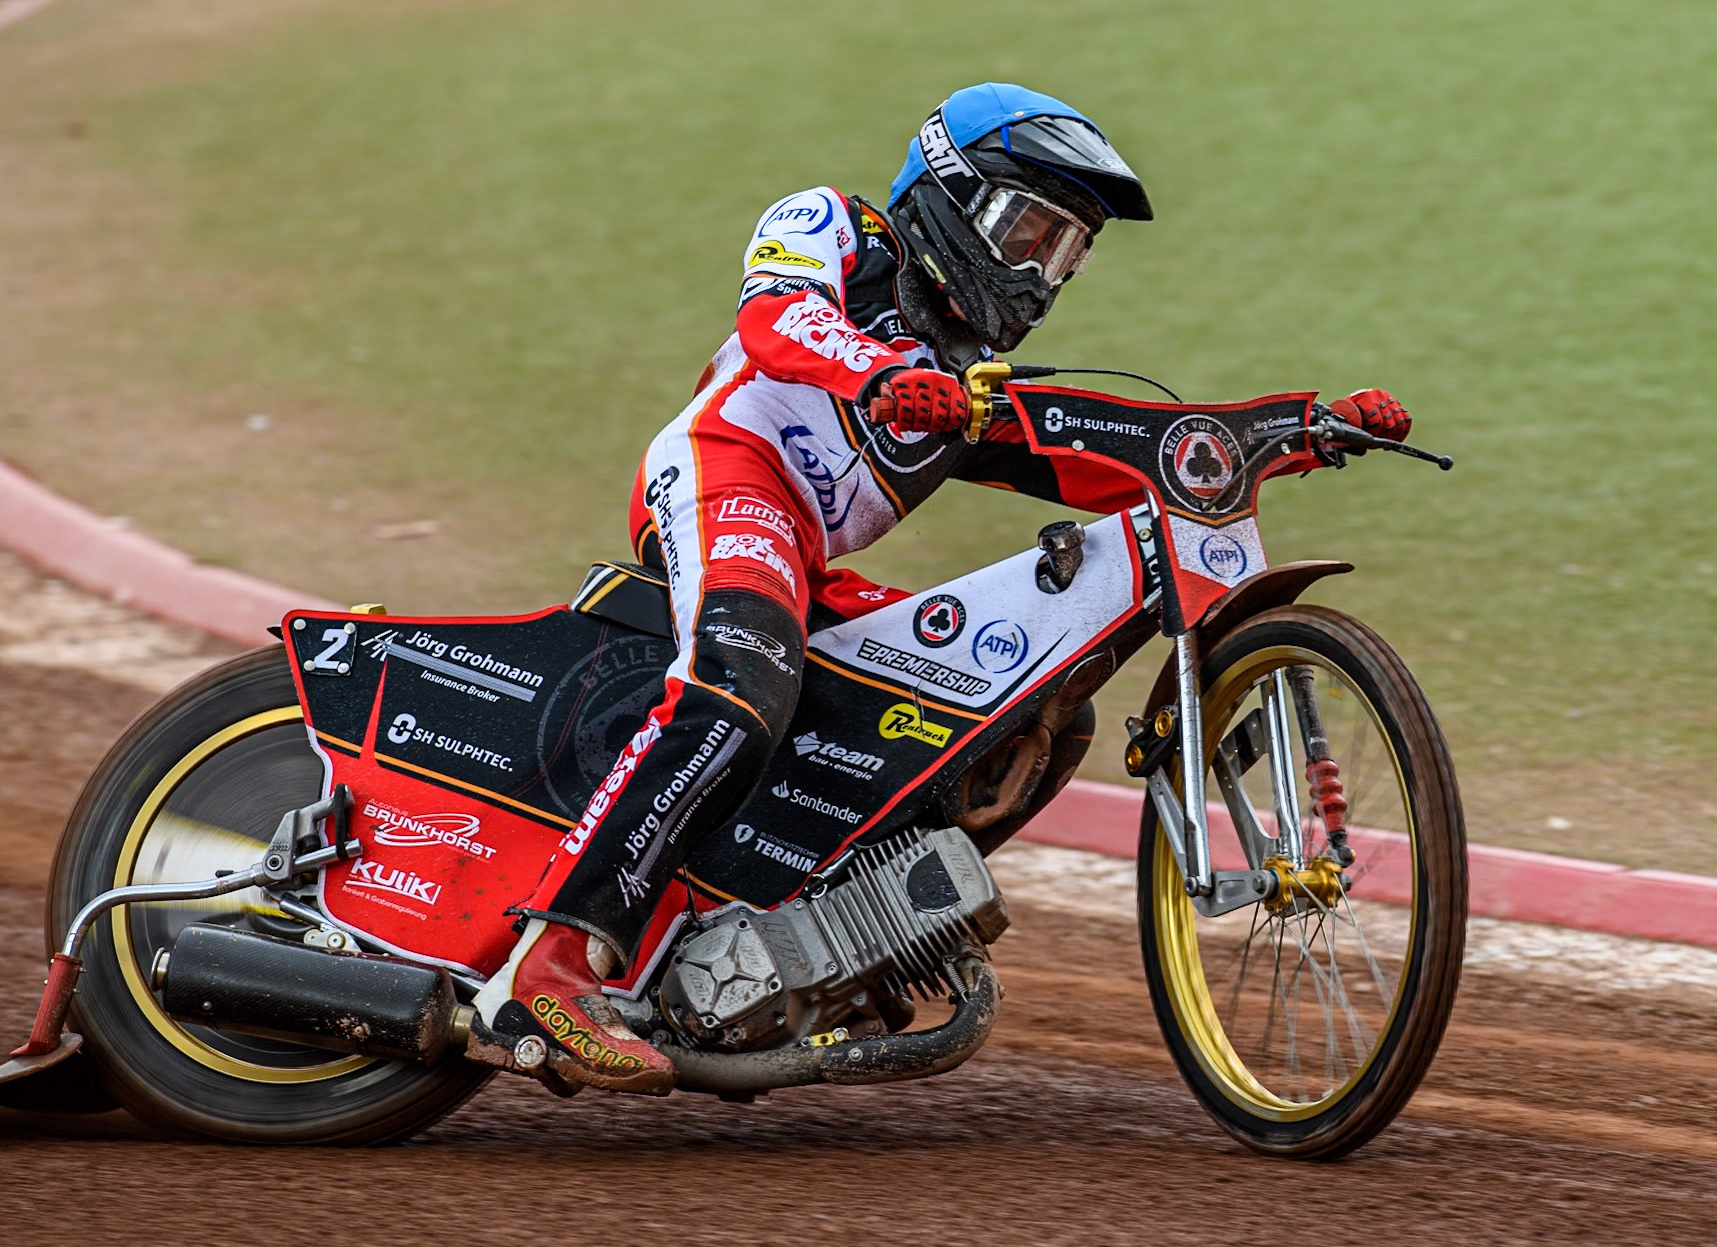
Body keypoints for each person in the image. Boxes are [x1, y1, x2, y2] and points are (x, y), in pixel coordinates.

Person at [474, 83, 1412, 1093]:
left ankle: (836, 926)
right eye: (1026, 232)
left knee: (1032, 713)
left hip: (806, 560)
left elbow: (1124, 455)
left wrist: (1293, 431)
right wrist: (879, 375)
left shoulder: (970, 384)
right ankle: (548, 963)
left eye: (1064, 251)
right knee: (741, 684)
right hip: (723, 476)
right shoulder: (834, 225)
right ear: (948, 194)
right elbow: (776, 318)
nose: (1038, 272)